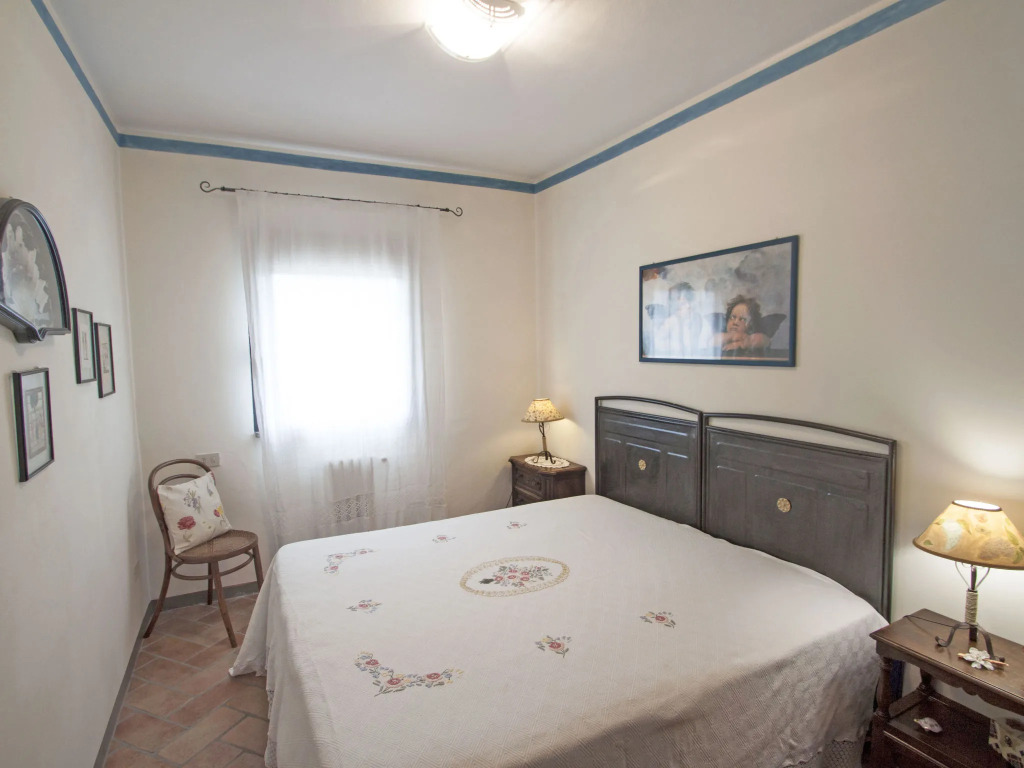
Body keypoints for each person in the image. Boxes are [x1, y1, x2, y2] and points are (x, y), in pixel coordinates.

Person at [651, 282, 705, 357]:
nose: (676, 306)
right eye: (672, 300)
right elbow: (657, 343)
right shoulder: (670, 321)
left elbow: (701, 346)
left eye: (682, 303)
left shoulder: (699, 320)